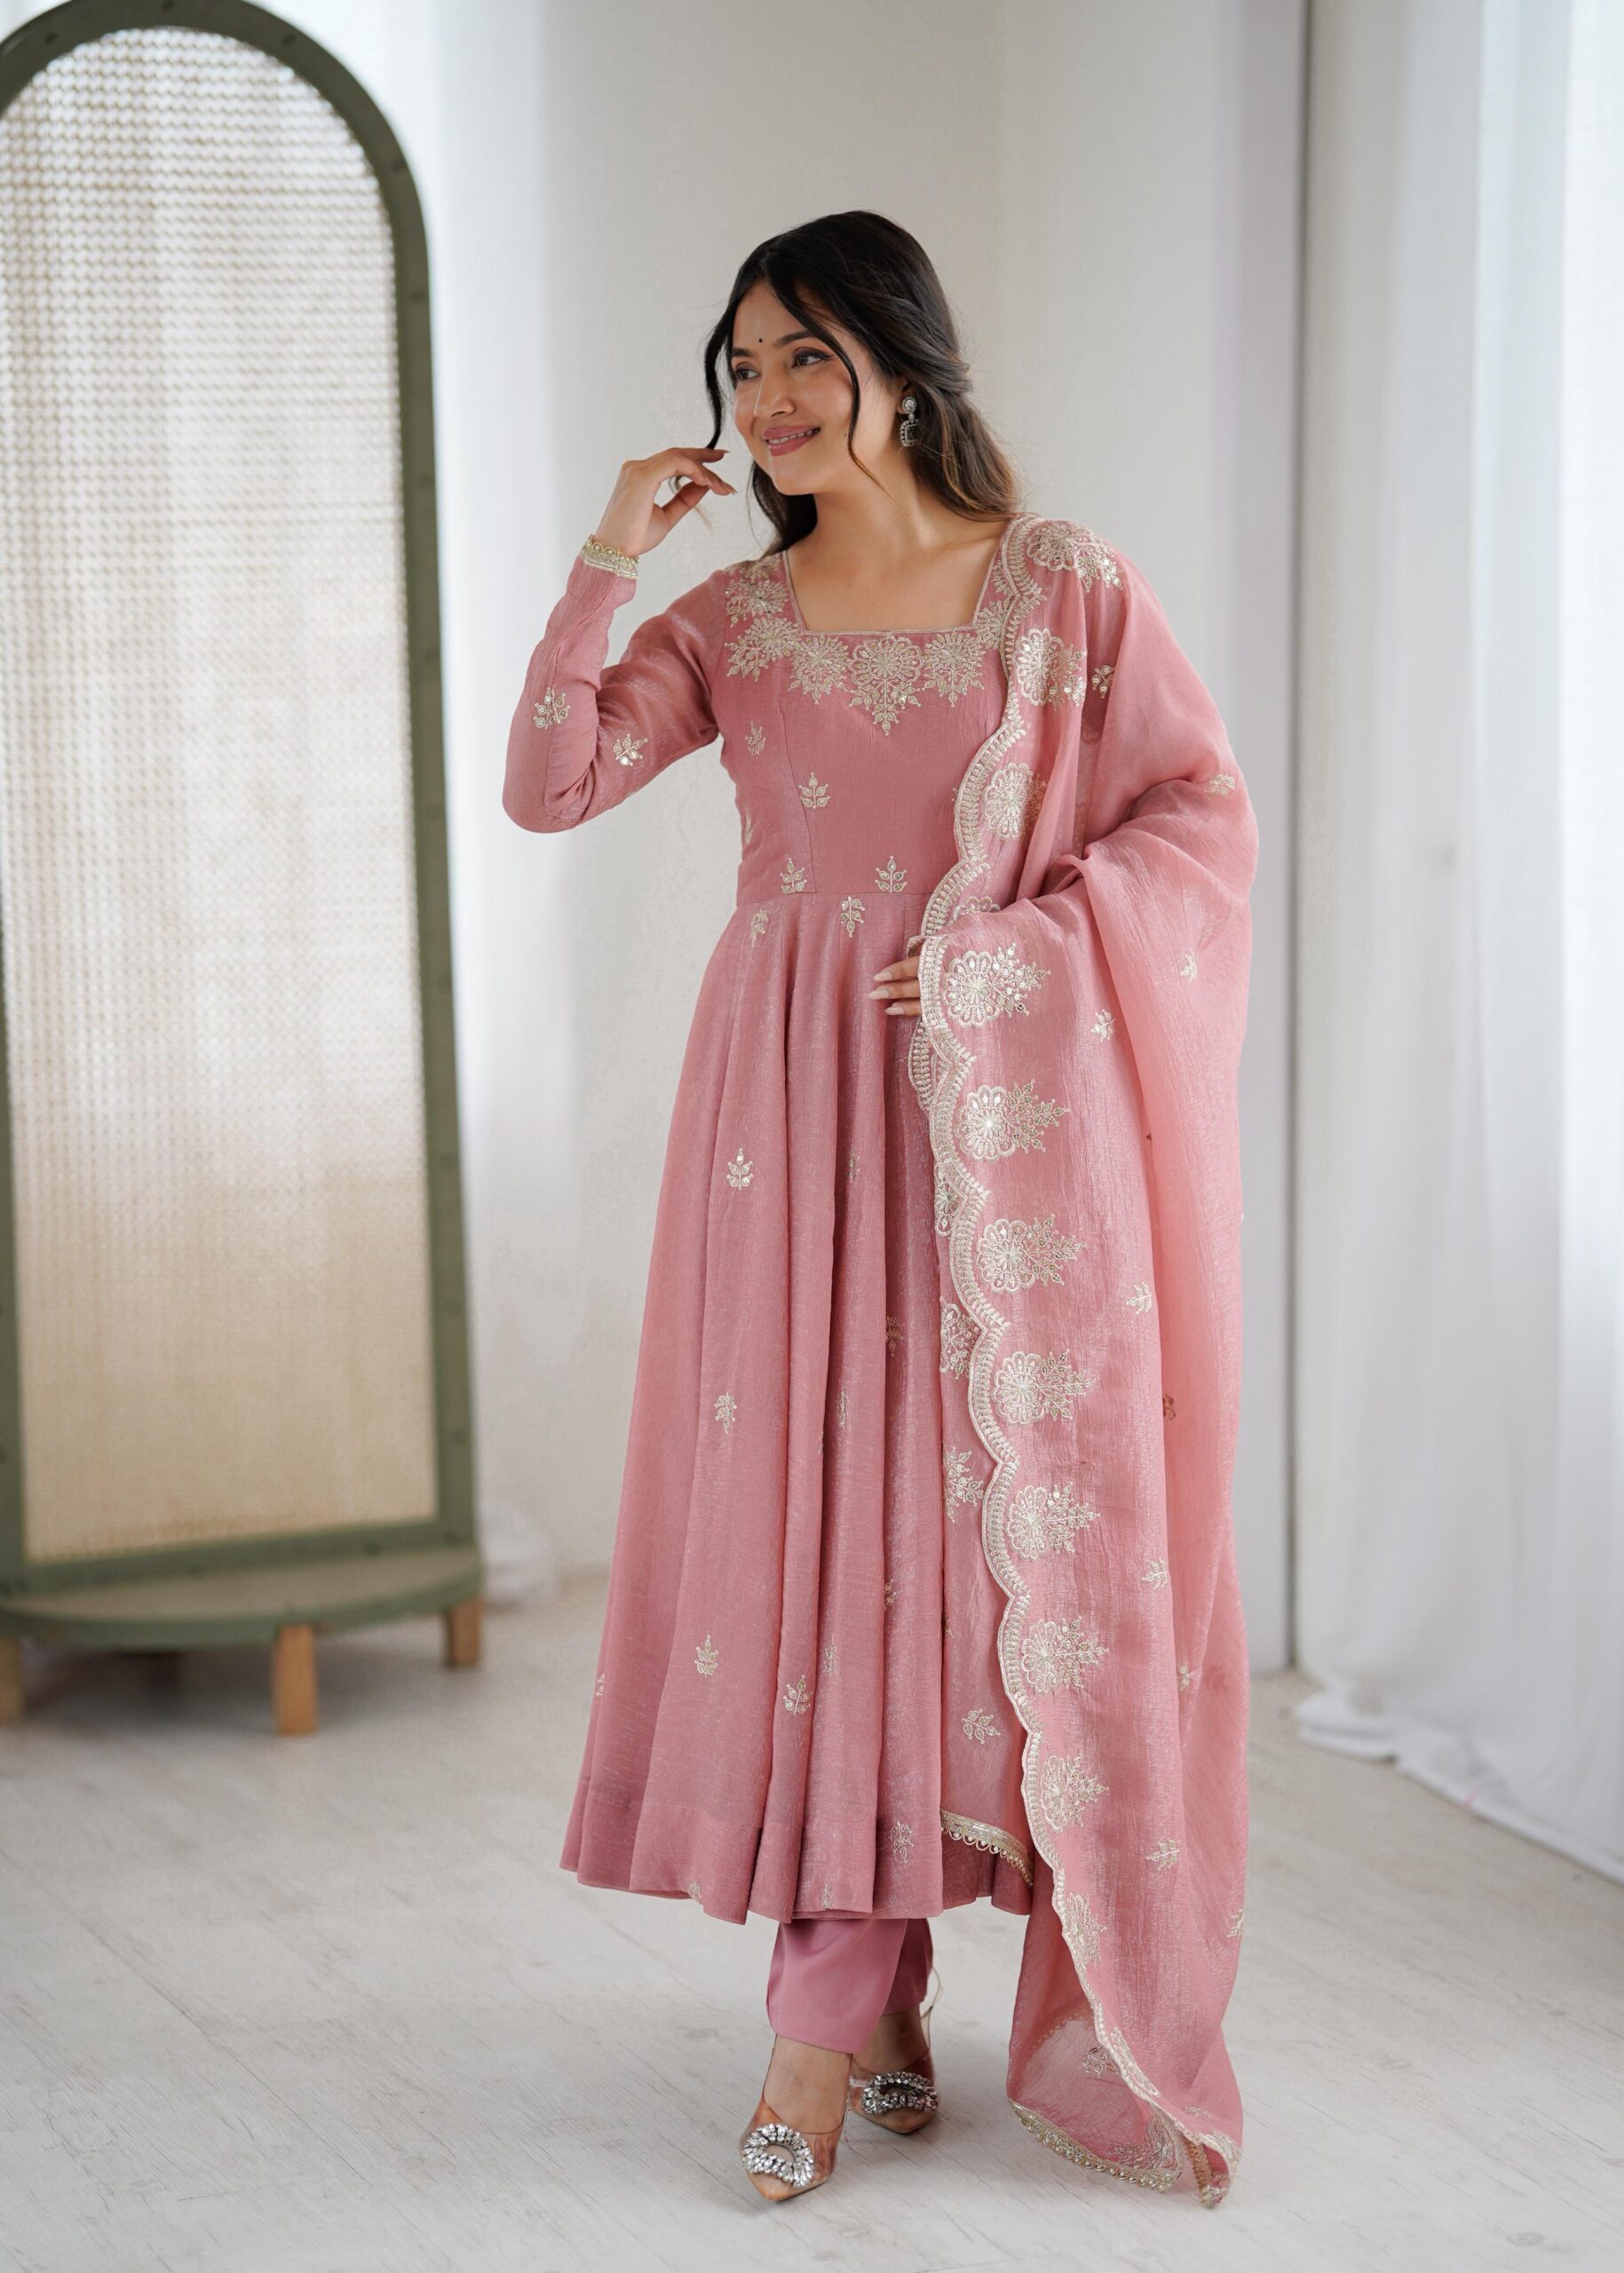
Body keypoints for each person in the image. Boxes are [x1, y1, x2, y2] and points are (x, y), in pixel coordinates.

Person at [505, 210, 1256, 2209]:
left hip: (985, 1134)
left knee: (952, 1547)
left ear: (903, 364)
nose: (767, 397)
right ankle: (848, 1998)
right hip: (782, 1120)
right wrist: (609, 553)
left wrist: (1017, 958)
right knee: (821, 1544)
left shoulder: (1057, 588)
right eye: (742, 366)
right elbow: (550, 783)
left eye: (805, 356)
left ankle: (841, 2013)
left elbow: (1196, 822)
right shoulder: (735, 618)